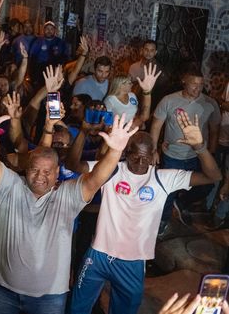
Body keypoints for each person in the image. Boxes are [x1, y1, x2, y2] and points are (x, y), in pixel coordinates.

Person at [0, 90, 138, 314]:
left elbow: (95, 179)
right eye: (35, 169)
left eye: (47, 171)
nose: (40, 175)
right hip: (3, 292)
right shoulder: (10, 187)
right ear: (27, 169)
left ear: (56, 173)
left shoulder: (66, 196)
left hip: (49, 299)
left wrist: (115, 151)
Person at [68, 111, 222, 314]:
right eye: (135, 157)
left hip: (133, 262)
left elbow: (213, 176)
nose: (140, 163)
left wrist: (199, 147)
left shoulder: (163, 178)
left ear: (153, 156)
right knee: (77, 309)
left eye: (145, 158)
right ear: (126, 152)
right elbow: (73, 165)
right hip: (97, 255)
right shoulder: (112, 169)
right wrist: (83, 132)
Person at [150, 67, 221, 231]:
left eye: (201, 84)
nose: (198, 88)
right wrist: (154, 150)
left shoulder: (210, 103)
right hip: (172, 155)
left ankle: (182, 203)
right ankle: (163, 220)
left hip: (197, 156)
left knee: (208, 185)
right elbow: (156, 126)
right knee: (168, 192)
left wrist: (210, 153)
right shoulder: (169, 100)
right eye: (194, 84)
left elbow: (215, 130)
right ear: (184, 82)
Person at [104, 64, 161, 128]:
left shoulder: (132, 95)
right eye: (129, 83)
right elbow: (106, 123)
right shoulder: (110, 100)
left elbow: (142, 115)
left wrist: (147, 91)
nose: (132, 84)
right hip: (120, 133)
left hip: (137, 129)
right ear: (121, 85)